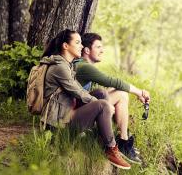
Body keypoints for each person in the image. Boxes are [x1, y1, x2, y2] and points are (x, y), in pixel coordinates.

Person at [40, 29, 131, 170]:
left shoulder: (66, 65)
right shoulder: (60, 68)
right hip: (58, 124)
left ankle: (103, 137)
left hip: (66, 111)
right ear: (65, 46)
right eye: (77, 42)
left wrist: (100, 100)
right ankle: (111, 148)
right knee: (102, 105)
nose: (81, 46)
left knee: (101, 93)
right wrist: (104, 105)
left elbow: (80, 91)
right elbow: (79, 92)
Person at [73, 33, 151, 164]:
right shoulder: (84, 67)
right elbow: (111, 81)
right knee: (121, 93)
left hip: (81, 108)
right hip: (76, 116)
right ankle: (123, 141)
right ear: (86, 50)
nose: (102, 50)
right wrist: (139, 92)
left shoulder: (81, 65)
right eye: (98, 47)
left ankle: (123, 139)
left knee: (118, 93)